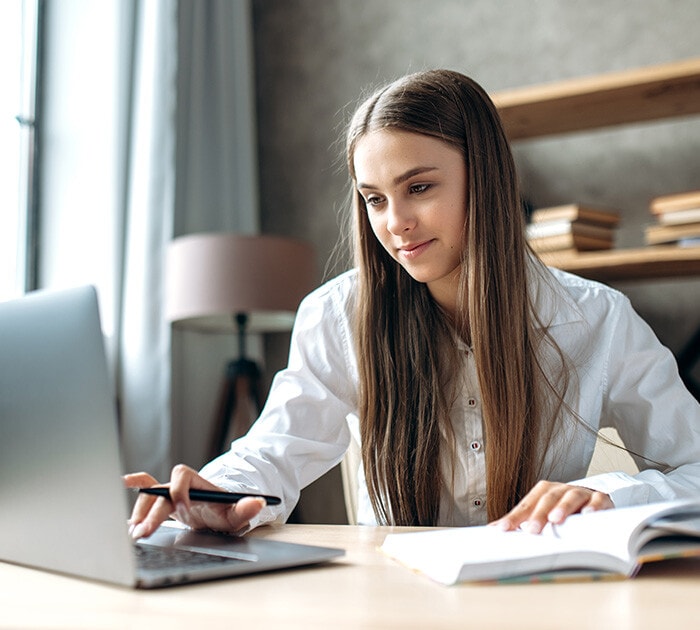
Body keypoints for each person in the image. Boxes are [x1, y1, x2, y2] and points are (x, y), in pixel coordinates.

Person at [125, 69, 700, 540]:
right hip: (395, 602)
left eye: (419, 187)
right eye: (375, 199)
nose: (395, 223)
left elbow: (694, 469)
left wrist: (609, 493)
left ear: (488, 179)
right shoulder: (336, 315)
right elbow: (275, 450)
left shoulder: (598, 317)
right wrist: (216, 492)